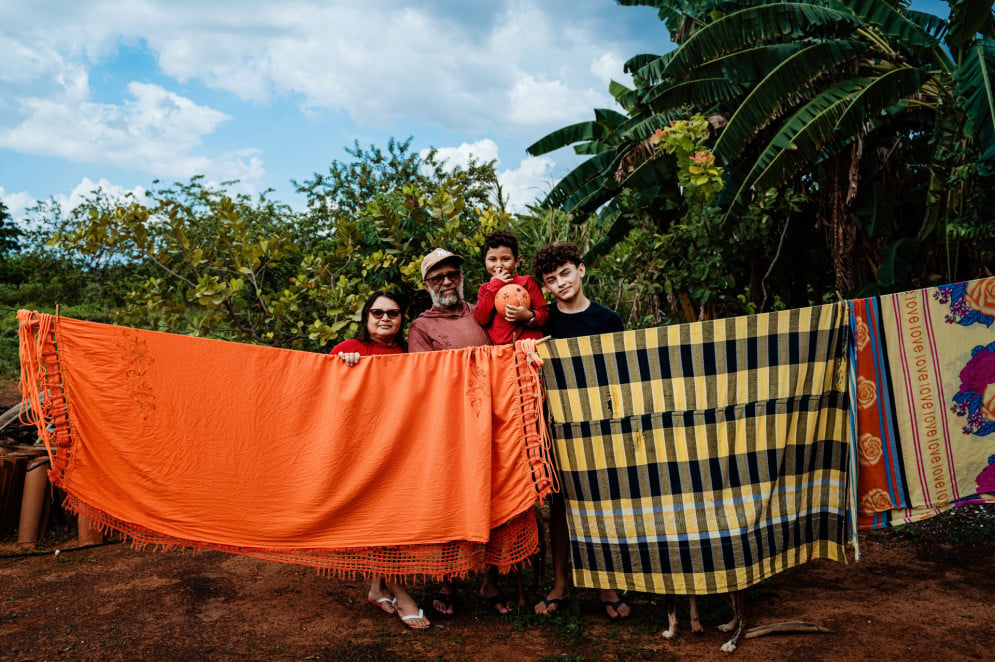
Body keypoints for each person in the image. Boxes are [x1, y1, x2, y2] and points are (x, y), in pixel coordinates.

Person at [407, 247, 512, 616]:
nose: (447, 282)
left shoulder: (483, 312)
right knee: (449, 502)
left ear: (462, 279)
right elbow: (423, 380)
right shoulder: (422, 327)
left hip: (493, 421)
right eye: (438, 278)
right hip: (450, 428)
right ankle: (447, 581)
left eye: (452, 275)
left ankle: (492, 582)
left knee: (495, 497)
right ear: (427, 286)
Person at [531, 243, 631, 620]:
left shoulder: (608, 320)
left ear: (582, 271)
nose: (561, 284)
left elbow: (621, 377)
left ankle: (606, 584)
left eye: (566, 274)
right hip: (554, 423)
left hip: (598, 425)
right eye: (551, 280)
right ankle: (560, 584)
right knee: (559, 504)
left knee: (599, 503)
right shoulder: (543, 324)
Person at [330, 290, 430, 630]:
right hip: (360, 451)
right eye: (377, 312)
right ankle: (401, 593)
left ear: (402, 319)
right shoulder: (348, 349)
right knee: (379, 519)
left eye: (392, 313)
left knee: (392, 520)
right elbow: (323, 392)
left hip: (400, 448)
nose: (385, 318)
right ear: (366, 317)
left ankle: (377, 587)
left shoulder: (408, 353)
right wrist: (342, 368)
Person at [473, 229, 548, 344]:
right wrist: (495, 285)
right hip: (502, 354)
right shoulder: (486, 289)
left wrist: (528, 316)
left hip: (530, 350)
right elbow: (482, 319)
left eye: (505, 259)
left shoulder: (527, 282)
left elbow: (544, 314)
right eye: (492, 259)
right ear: (485, 261)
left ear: (516, 261)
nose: (499, 265)